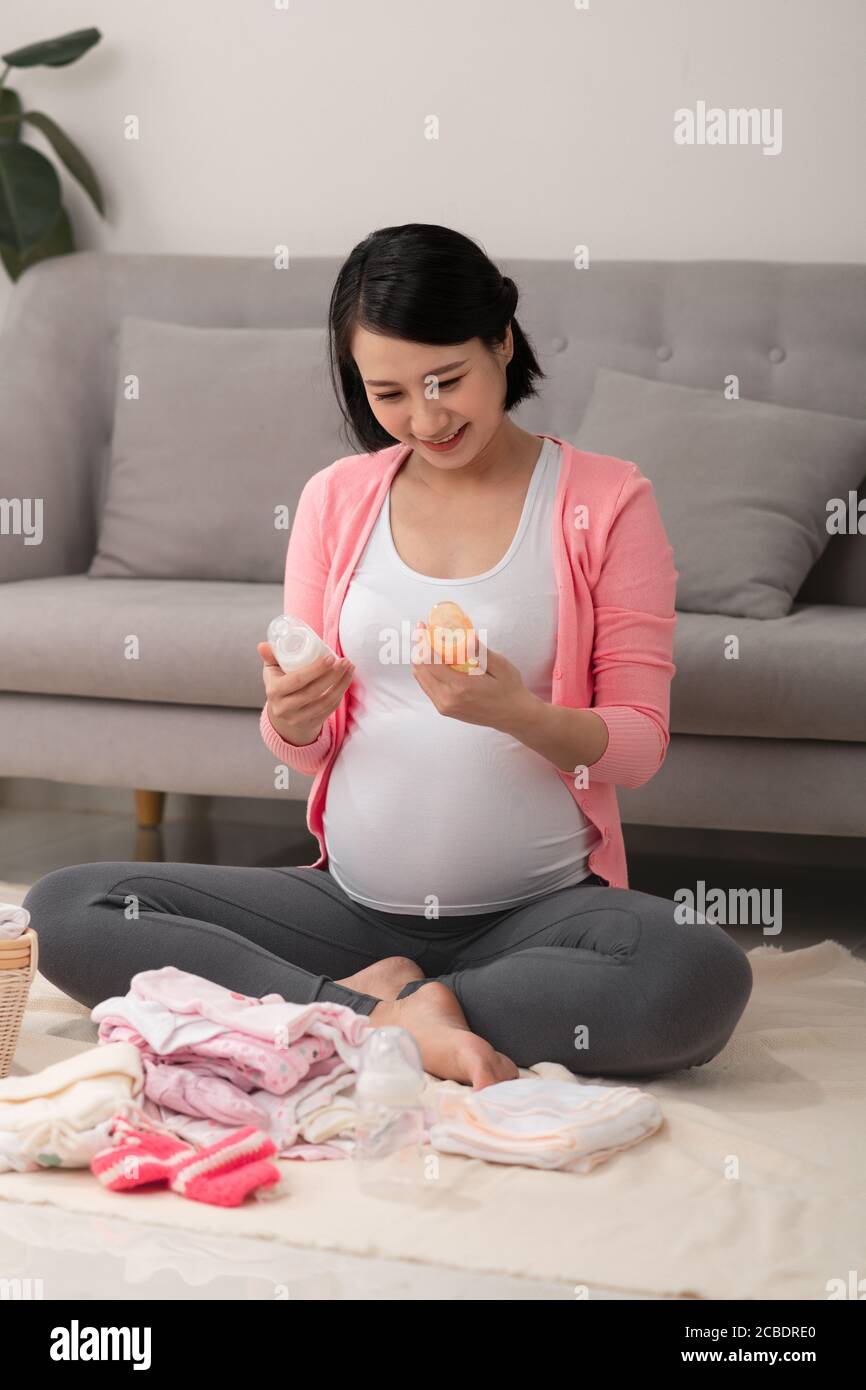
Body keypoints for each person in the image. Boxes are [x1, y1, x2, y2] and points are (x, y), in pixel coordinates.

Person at [24, 223, 753, 1090]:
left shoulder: (607, 499)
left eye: (447, 379)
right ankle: (382, 1016)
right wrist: (290, 719)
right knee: (63, 909)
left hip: (540, 915)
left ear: (503, 341)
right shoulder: (338, 499)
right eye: (390, 393)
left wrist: (518, 715)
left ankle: (363, 1006)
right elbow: (307, 745)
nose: (426, 417)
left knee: (695, 978)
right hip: (349, 910)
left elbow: (639, 742)